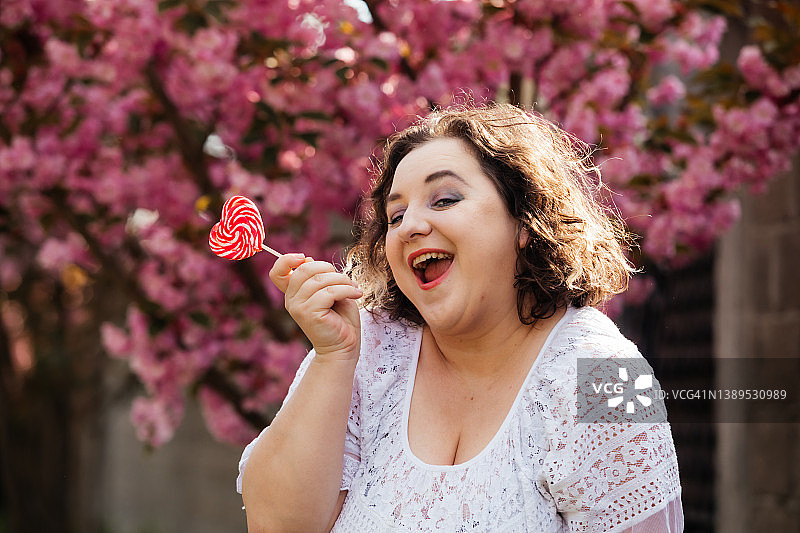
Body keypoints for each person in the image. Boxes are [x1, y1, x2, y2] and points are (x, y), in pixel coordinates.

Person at [236, 103, 683, 532]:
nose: (410, 224)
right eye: (396, 214)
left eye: (445, 199)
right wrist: (333, 358)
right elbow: (277, 526)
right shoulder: (363, 349)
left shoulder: (610, 379)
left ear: (524, 221)